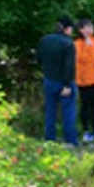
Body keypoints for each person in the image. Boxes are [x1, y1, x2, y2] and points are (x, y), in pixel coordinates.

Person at [36, 16, 79, 146]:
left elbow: (38, 59)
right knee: (68, 112)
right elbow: (69, 66)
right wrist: (67, 84)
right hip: (64, 81)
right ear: (67, 28)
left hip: (49, 79)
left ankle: (50, 140)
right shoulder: (68, 44)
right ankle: (70, 140)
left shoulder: (44, 40)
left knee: (50, 111)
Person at [74, 18, 94, 142]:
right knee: (85, 105)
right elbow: (81, 59)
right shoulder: (77, 44)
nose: (89, 30)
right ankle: (86, 130)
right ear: (81, 30)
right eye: (86, 27)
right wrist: (87, 47)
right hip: (83, 79)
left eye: (91, 27)